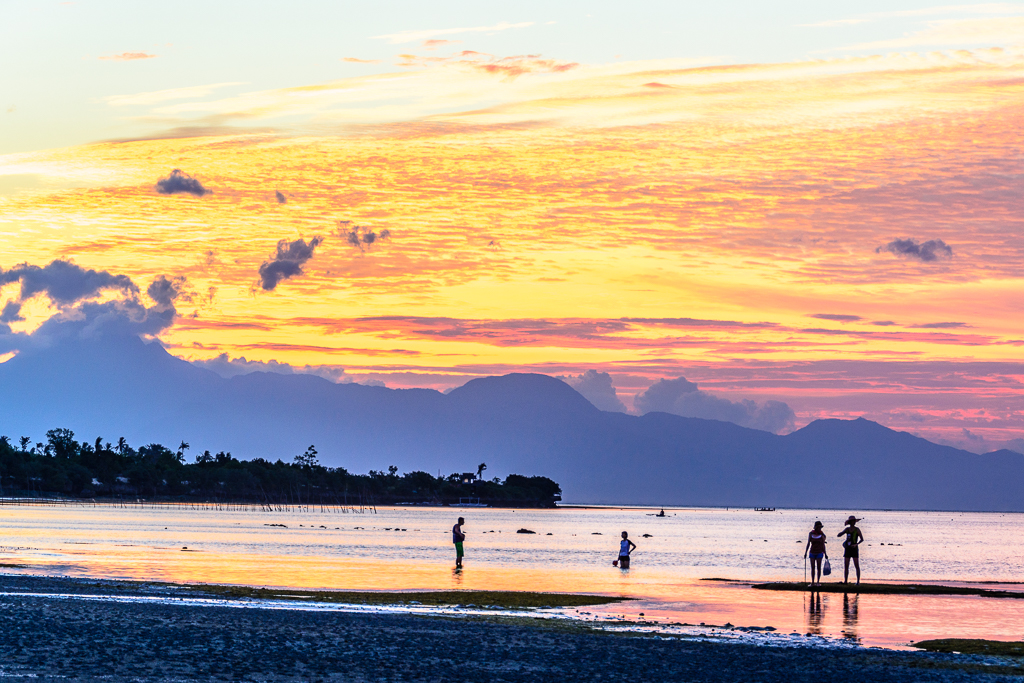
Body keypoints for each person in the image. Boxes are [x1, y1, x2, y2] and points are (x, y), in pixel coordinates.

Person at [837, 515, 864, 584]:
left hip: (854, 549)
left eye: (854, 521)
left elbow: (862, 539)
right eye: (852, 521)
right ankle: (845, 581)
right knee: (846, 566)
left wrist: (856, 544)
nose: (853, 522)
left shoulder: (857, 530)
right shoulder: (847, 529)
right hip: (847, 548)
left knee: (856, 565)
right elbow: (840, 534)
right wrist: (840, 533)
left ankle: (858, 581)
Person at [803, 520, 828, 585]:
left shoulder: (822, 534)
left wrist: (825, 554)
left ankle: (818, 582)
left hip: (819, 552)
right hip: (812, 552)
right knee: (812, 567)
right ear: (816, 527)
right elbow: (808, 543)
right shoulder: (811, 534)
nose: (820, 528)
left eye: (820, 527)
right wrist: (805, 552)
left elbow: (823, 544)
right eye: (819, 527)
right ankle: (813, 582)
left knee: (818, 567)